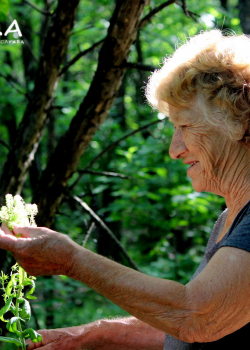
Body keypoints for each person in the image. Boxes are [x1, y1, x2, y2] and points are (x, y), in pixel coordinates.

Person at [2, 29, 250, 350]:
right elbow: (184, 325)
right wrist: (83, 337)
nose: (175, 150)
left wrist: (72, 261)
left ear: (237, 120)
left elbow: (198, 316)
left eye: (185, 126)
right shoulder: (229, 220)